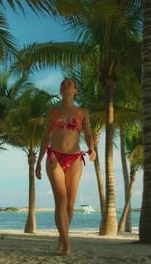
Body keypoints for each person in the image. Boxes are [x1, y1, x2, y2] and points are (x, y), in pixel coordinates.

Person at [35, 78, 96, 256]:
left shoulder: (82, 112)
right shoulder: (52, 111)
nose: (66, 85)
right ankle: (67, 246)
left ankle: (62, 240)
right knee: (61, 202)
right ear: (60, 91)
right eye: (63, 84)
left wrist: (92, 149)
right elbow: (46, 135)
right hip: (54, 156)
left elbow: (89, 133)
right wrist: (39, 161)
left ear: (75, 91)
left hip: (76, 158)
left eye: (69, 83)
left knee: (70, 205)